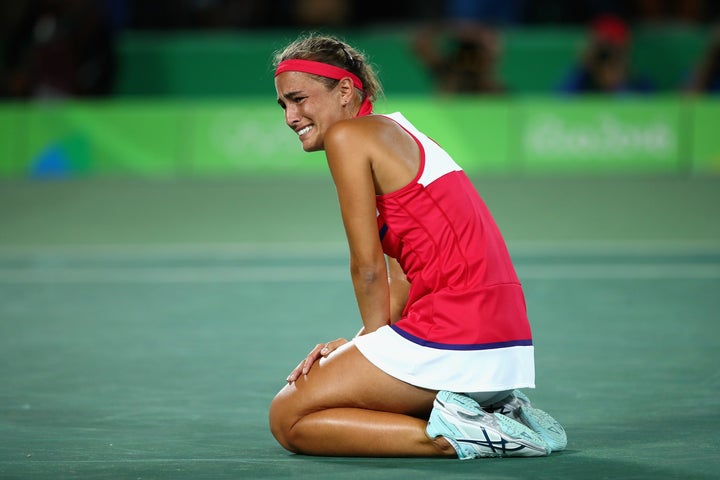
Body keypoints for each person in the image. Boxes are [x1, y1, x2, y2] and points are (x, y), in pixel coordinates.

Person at [268, 33, 567, 459]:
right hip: (499, 347)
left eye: (299, 99)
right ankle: (488, 414)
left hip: (458, 335)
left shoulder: (348, 137)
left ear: (346, 91)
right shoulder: (402, 131)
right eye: (284, 105)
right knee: (324, 398)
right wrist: (360, 346)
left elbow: (367, 266)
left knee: (288, 417)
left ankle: (455, 437)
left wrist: (367, 347)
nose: (290, 116)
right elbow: (403, 274)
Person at [558, 14, 653, 94]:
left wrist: (620, 83)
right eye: (602, 52)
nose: (608, 57)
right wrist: (582, 67)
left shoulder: (640, 84)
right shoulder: (581, 82)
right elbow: (558, 101)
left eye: (617, 51)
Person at [413, 22, 506, 94]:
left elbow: (494, 46)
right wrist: (445, 26)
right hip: (448, 113)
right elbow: (421, 45)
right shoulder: (446, 69)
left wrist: (475, 34)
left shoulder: (484, 73)